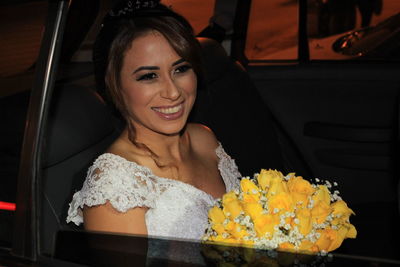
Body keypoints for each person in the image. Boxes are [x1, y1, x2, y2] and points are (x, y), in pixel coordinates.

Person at [66, 0, 241, 241]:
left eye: (181, 69)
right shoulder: (114, 189)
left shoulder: (204, 139)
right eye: (149, 76)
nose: (173, 92)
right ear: (114, 85)